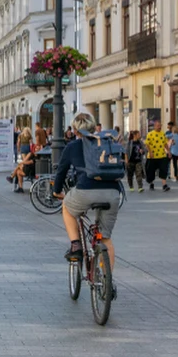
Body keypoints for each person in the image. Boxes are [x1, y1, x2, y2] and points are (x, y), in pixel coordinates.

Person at [54, 113, 122, 297]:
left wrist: (57, 191)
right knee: (105, 238)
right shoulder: (107, 142)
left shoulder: (73, 146)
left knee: (68, 208)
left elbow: (61, 172)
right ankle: (108, 282)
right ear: (94, 127)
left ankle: (76, 245)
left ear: (75, 130)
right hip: (113, 192)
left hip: (85, 190)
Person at [144, 121, 171, 192]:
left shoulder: (163, 134)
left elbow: (165, 144)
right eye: (158, 125)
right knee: (151, 171)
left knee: (163, 170)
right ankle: (151, 183)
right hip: (152, 157)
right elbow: (147, 144)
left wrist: (168, 152)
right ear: (154, 126)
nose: (160, 127)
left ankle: (164, 185)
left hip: (162, 156)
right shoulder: (150, 134)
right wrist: (150, 152)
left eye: (160, 125)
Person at [7, 128, 34, 193]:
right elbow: (31, 143)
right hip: (27, 147)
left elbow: (18, 142)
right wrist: (31, 149)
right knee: (24, 160)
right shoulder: (29, 135)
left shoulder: (20, 135)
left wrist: (18, 148)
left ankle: (12, 177)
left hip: (23, 147)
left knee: (23, 161)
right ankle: (12, 177)